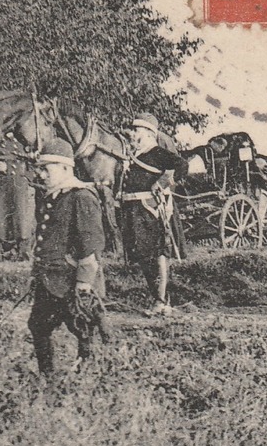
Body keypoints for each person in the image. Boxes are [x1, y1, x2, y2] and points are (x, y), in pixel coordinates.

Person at [29, 139, 106, 375]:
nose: (42, 175)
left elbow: (90, 247)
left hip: (72, 282)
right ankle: (47, 378)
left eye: (47, 168)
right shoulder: (54, 196)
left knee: (83, 328)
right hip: (50, 279)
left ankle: (89, 375)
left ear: (65, 168)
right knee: (38, 326)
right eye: (40, 169)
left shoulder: (81, 197)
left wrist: (83, 286)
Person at [117, 115, 187, 313]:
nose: (133, 133)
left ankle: (161, 301)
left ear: (149, 134)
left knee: (155, 254)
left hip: (149, 210)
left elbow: (183, 165)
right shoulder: (132, 155)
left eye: (137, 130)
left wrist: (164, 182)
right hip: (132, 209)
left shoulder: (158, 153)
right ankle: (158, 299)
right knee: (141, 255)